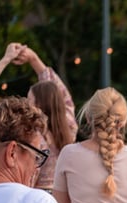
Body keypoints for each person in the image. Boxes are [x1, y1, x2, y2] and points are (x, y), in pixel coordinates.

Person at [13, 46, 78, 194]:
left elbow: (28, 179)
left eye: (30, 100)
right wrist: (34, 59)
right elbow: (61, 94)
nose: (26, 105)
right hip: (64, 196)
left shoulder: (34, 138)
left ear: (39, 105)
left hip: (39, 196)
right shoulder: (68, 128)